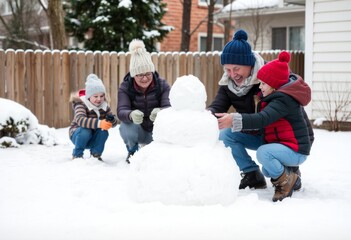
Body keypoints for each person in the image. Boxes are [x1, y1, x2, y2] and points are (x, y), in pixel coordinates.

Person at [207, 29, 314, 191]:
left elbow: (267, 116)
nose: (232, 74)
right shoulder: (228, 83)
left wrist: (234, 119)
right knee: (225, 135)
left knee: (268, 153)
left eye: (236, 69)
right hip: (259, 131)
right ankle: (252, 175)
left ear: (250, 65)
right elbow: (218, 106)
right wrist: (204, 116)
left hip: (286, 135)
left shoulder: (269, 77)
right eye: (227, 69)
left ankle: (290, 171)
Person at [117, 39, 171, 164]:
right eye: (140, 75)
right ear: (133, 75)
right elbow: (121, 110)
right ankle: (133, 151)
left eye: (148, 73)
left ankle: (159, 152)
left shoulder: (162, 85)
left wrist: (161, 112)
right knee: (126, 125)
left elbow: (169, 107)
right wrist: (130, 115)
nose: (145, 78)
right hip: (138, 130)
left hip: (156, 132)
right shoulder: (126, 87)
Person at [69, 74, 118, 161]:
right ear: (89, 96)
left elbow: (114, 124)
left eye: (102, 96)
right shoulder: (81, 104)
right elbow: (80, 120)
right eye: (95, 96)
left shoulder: (104, 106)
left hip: (93, 137)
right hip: (78, 135)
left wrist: (112, 120)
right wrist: (99, 123)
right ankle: (77, 155)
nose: (99, 99)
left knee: (104, 131)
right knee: (85, 130)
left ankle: (96, 154)